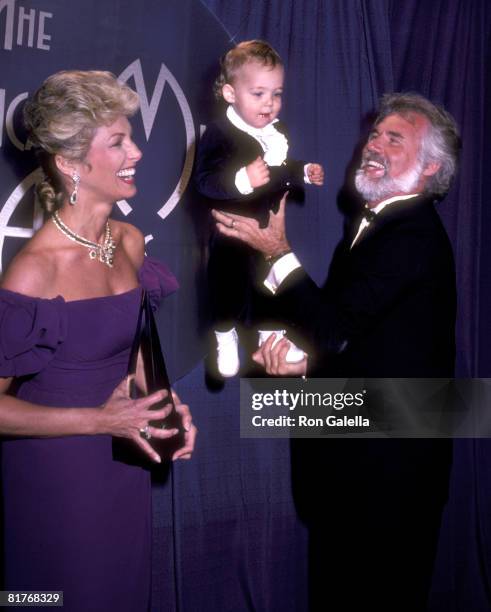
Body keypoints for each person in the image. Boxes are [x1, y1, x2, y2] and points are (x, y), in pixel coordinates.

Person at [213, 93, 460, 611]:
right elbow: (368, 344)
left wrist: (277, 252)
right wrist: (305, 367)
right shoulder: (374, 229)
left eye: (396, 138)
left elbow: (333, 330)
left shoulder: (410, 235)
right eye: (375, 134)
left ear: (431, 166)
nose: (375, 143)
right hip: (359, 473)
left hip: (389, 486)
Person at [0, 70, 196, 611]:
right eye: (118, 142)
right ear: (69, 164)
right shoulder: (33, 272)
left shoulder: (129, 242)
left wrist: (162, 407)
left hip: (122, 466)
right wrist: (100, 420)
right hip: (58, 481)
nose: (136, 150)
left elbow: (134, 359)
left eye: (130, 136)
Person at [194, 40, 324, 377]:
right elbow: (204, 180)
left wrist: (302, 172)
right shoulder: (220, 134)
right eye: (259, 94)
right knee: (228, 287)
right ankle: (225, 334)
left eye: (276, 94)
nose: (270, 104)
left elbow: (279, 168)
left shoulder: (274, 133)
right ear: (230, 94)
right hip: (232, 231)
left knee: (272, 286)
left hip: (268, 229)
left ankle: (270, 336)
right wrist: (241, 179)